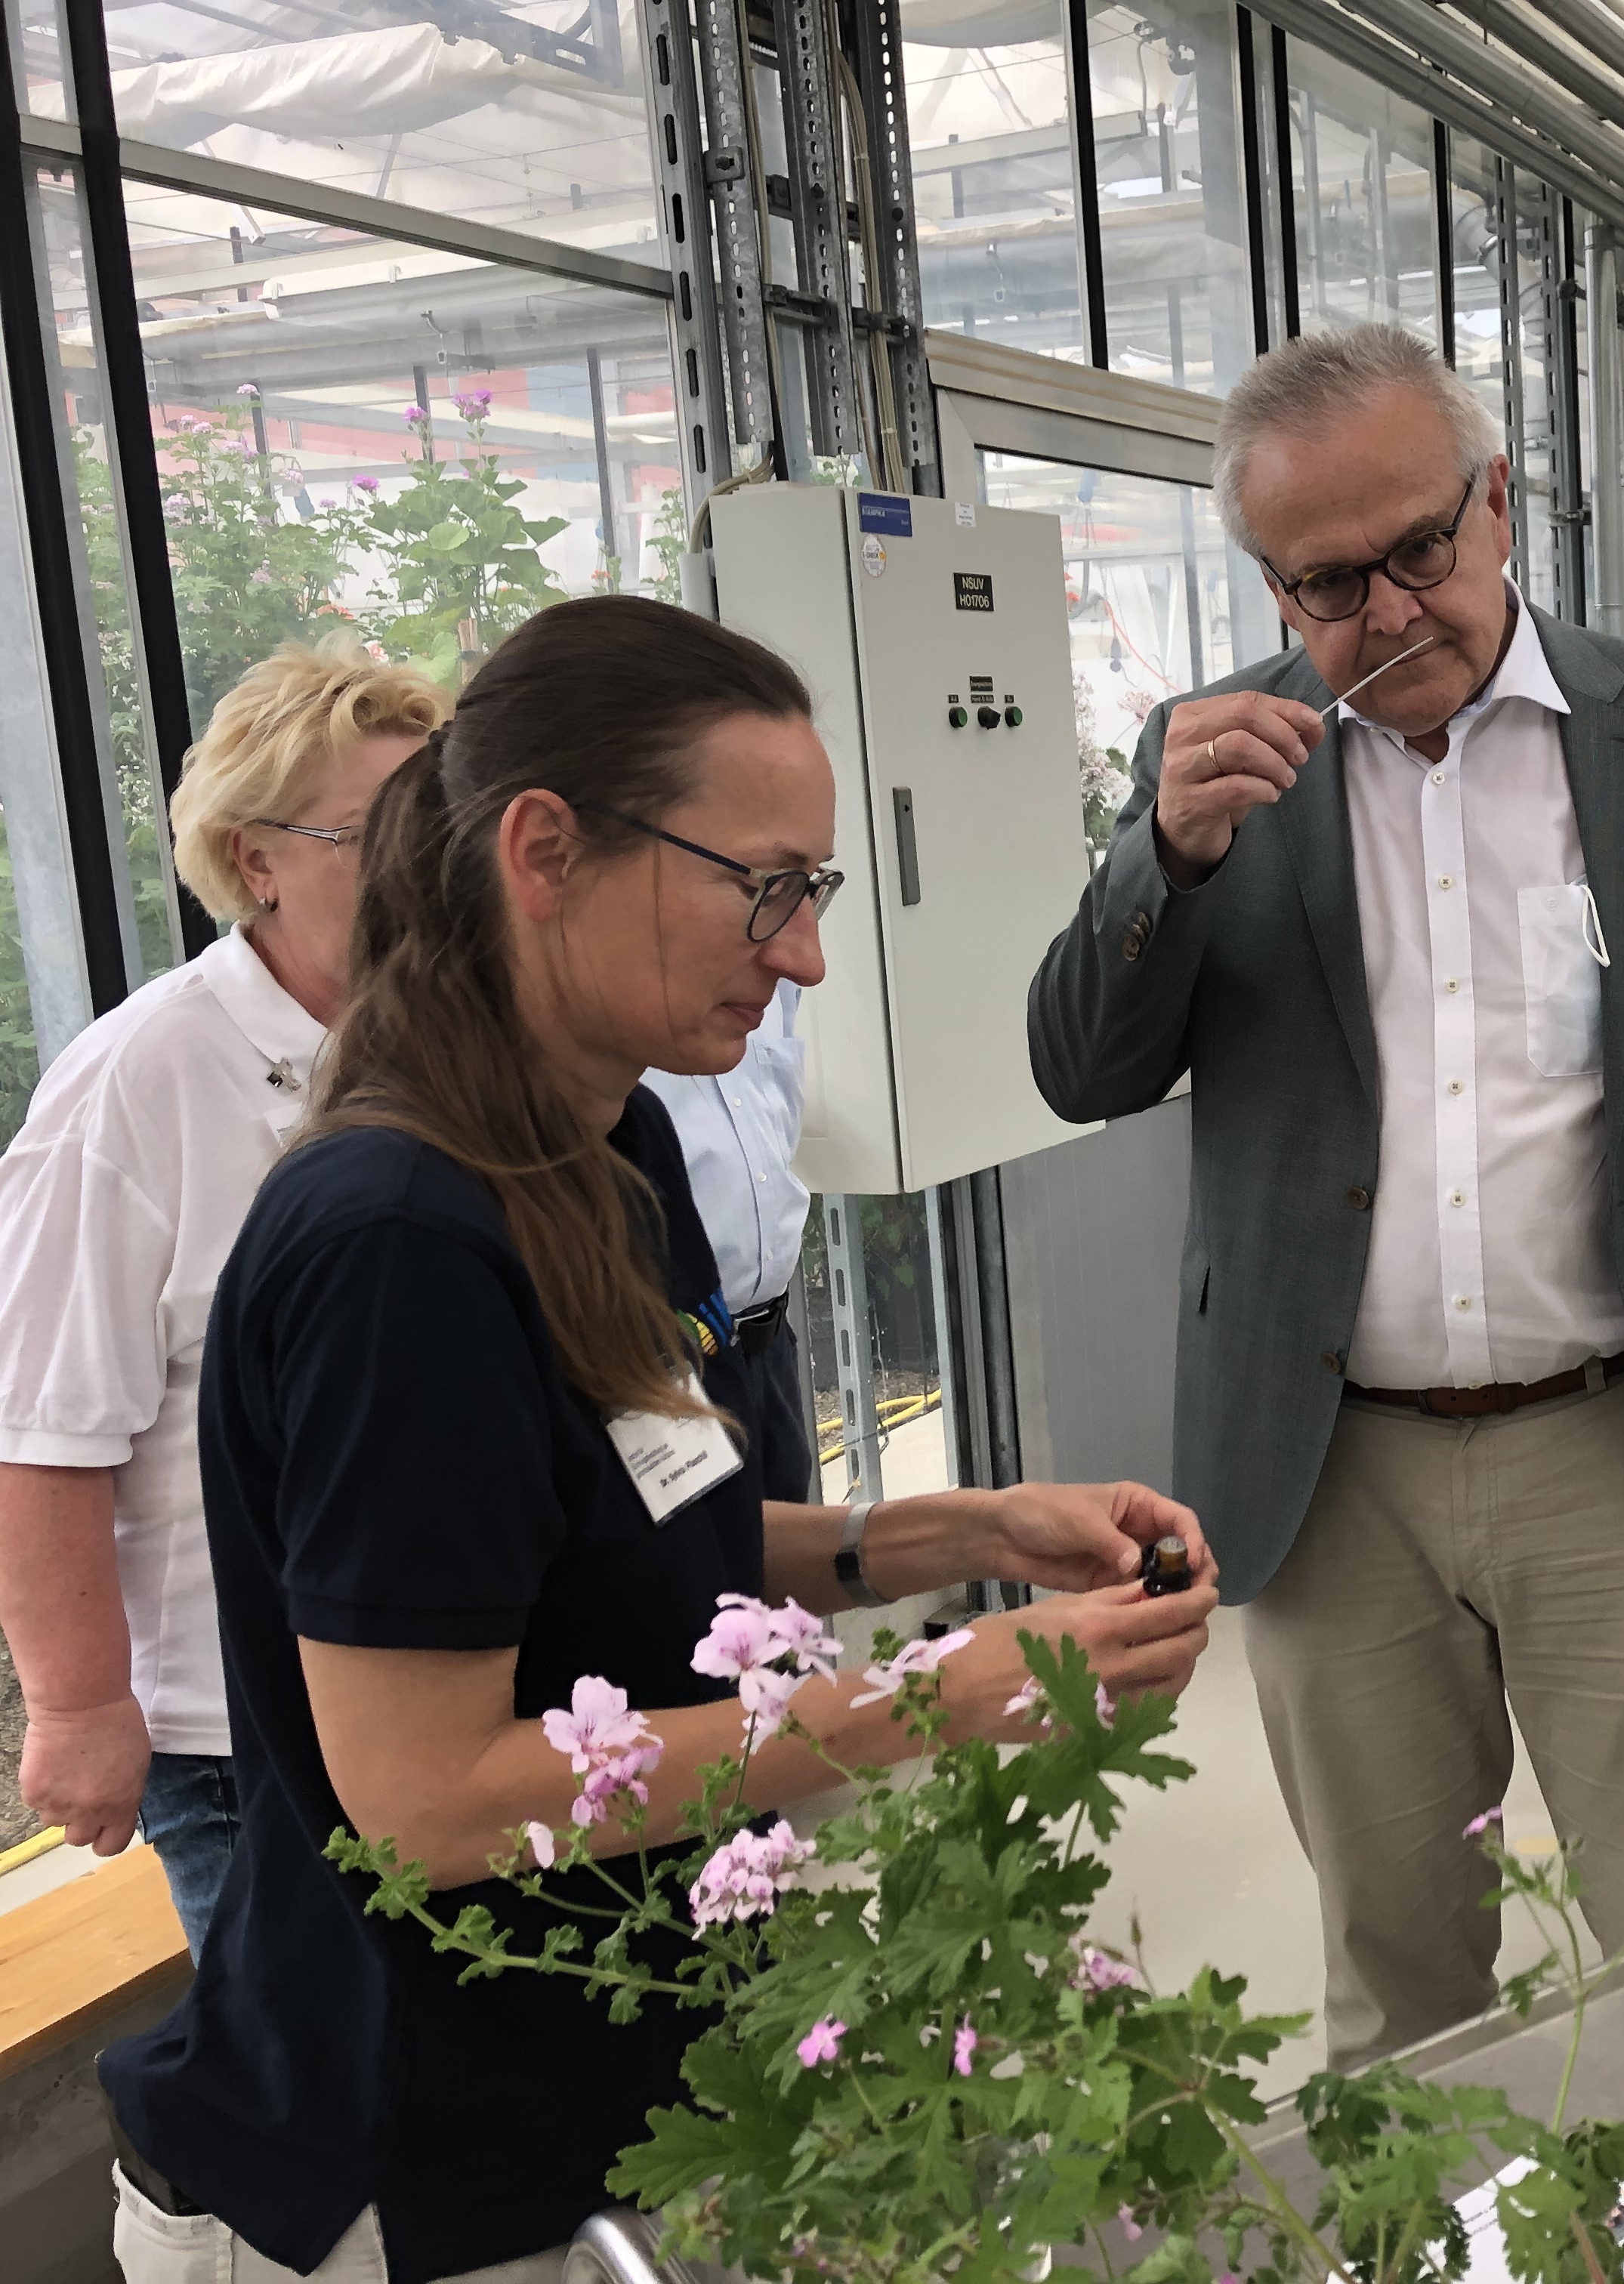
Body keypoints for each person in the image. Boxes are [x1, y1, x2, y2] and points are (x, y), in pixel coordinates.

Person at [101, 596, 1220, 2284]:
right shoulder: (397, 1240)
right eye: (764, 886)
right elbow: (429, 1804)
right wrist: (953, 1693)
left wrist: (968, 1533)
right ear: (545, 848)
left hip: (615, 2089)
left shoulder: (604, 1147)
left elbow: (640, 1522)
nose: (804, 954)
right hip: (414, 2160)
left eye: (813, 891)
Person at [1028, 324, 1624, 2065]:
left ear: (1496, 504)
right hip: (1329, 1464)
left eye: (1420, 548)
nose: (1389, 612)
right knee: (1399, 1973)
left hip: (1623, 1440)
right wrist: (1164, 861)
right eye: (1326, 585)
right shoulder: (1217, 764)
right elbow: (1084, 1069)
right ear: (1271, 582)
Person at [0, 639, 445, 1952]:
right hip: (242, 1730)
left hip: (432, 1674)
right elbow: (42, 1428)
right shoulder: (136, 1085)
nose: (428, 869)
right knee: (321, 2104)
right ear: (256, 859)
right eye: (378, 836)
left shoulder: (433, 1041)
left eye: (444, 826)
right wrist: (79, 1709)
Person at [644, 980, 815, 1502]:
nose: (809, 962)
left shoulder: (772, 980)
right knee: (700, 1562)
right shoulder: (631, 1005)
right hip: (675, 1355)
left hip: (769, 1344)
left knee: (790, 1553)